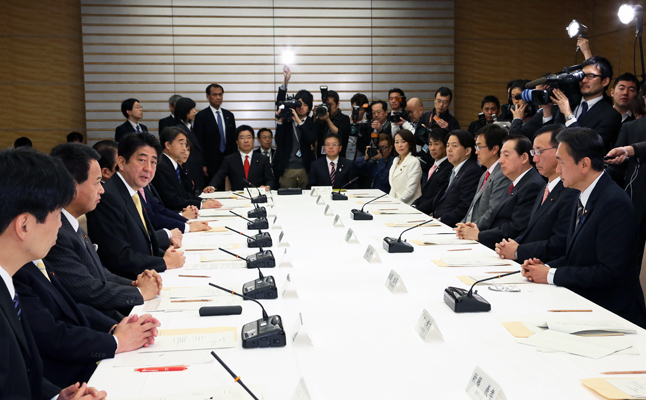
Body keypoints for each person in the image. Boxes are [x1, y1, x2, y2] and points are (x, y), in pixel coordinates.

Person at [0, 147, 107, 399]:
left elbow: (22, 375)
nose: (61, 224)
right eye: (58, 214)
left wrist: (57, 397)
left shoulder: (9, 279)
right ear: (24, 225)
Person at [522, 127, 646, 328]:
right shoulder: (581, 194)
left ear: (585, 164)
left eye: (561, 161)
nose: (558, 169)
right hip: (584, 303)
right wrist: (544, 267)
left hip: (613, 315)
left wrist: (551, 275)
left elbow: (608, 272)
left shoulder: (614, 203)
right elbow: (576, 258)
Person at [46, 143, 162, 317]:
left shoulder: (71, 222)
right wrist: (140, 293)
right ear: (71, 186)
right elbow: (86, 290)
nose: (102, 190)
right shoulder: (57, 233)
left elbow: (99, 274)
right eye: (97, 182)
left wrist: (135, 284)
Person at [14, 258, 161, 388]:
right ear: (23, 226)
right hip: (68, 379)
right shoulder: (16, 272)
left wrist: (115, 329)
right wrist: (117, 341)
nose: (60, 225)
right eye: (55, 223)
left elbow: (69, 307)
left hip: (81, 362)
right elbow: (50, 335)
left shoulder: (37, 262)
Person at [87, 132, 186, 280]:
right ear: (121, 162)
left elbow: (144, 245)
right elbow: (119, 257)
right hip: (130, 283)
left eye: (153, 162)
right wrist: (164, 262)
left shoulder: (133, 191)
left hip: (148, 276)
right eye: (141, 160)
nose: (148, 168)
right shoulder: (108, 197)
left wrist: (165, 255)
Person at [496, 124, 579, 262]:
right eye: (534, 152)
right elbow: (530, 230)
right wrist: (510, 245)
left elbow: (559, 243)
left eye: (539, 152)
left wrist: (518, 251)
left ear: (560, 151)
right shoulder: (545, 187)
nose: (534, 159)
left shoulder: (570, 191)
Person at [455, 135, 545, 249]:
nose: (501, 161)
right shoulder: (514, 182)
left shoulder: (532, 185)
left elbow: (516, 228)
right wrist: (476, 228)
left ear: (524, 158)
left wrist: (479, 235)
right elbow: (498, 217)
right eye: (501, 155)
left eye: (506, 155)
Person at [549, 56, 622, 151]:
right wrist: (547, 109)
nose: (584, 80)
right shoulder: (570, 103)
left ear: (605, 81)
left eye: (590, 76)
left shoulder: (611, 115)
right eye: (582, 75)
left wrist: (568, 114)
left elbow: (588, 146)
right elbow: (554, 137)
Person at [152, 127, 222, 211]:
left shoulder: (173, 164)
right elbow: (171, 200)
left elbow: (183, 194)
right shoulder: (161, 166)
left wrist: (203, 201)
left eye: (185, 144)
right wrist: (201, 205)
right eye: (181, 143)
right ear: (168, 145)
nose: (184, 148)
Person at [461, 124, 510, 228]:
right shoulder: (485, 174)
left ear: (494, 149)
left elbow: (492, 212)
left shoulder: (502, 174)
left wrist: (469, 228)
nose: (476, 151)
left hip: (481, 234)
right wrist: (461, 225)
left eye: (479, 147)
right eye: (476, 147)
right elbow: (472, 209)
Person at [274, 75, 317, 189]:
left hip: (305, 169)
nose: (301, 107)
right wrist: (285, 82)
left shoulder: (312, 123)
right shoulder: (287, 121)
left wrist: (298, 121)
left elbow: (310, 139)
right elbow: (279, 140)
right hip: (287, 169)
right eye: (299, 103)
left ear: (310, 107)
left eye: (305, 104)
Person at [432, 130, 483, 226]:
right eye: (448, 145)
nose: (449, 149)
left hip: (453, 226)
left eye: (454, 146)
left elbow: (464, 206)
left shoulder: (471, 171)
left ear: (467, 150)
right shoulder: (455, 169)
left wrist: (440, 220)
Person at [205, 126, 275, 191]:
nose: (246, 141)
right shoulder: (229, 159)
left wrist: (267, 186)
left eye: (249, 137)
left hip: (258, 196)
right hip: (237, 197)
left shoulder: (263, 159)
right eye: (242, 138)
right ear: (237, 142)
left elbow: (270, 179)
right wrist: (212, 186)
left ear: (253, 140)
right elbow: (219, 176)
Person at [194, 83, 237, 185]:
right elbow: (199, 142)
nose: (218, 97)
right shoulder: (201, 116)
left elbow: (233, 140)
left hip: (228, 159)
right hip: (210, 162)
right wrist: (202, 164)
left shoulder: (229, 115)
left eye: (220, 94)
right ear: (208, 96)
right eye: (214, 95)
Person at [412, 128, 453, 215]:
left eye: (436, 144)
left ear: (446, 146)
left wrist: (417, 211)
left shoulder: (448, 168)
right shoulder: (435, 166)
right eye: (430, 144)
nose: (432, 148)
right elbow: (426, 195)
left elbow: (436, 197)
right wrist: (414, 205)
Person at [174, 97, 205, 191]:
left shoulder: (189, 127)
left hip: (196, 170)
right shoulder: (180, 129)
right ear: (185, 110)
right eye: (192, 109)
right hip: (189, 171)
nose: (195, 111)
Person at [314, 89, 351, 159]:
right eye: (326, 105)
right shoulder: (320, 119)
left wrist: (327, 119)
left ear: (337, 105)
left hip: (339, 159)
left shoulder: (344, 119)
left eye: (331, 105)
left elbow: (340, 135)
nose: (328, 108)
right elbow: (312, 136)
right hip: (322, 159)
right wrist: (315, 116)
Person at [388, 129, 422, 205]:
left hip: (409, 205)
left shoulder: (414, 162)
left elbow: (410, 191)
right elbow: (393, 189)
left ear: (410, 143)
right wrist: (389, 202)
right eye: (397, 142)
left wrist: (396, 204)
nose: (400, 145)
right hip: (395, 204)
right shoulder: (395, 160)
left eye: (403, 142)